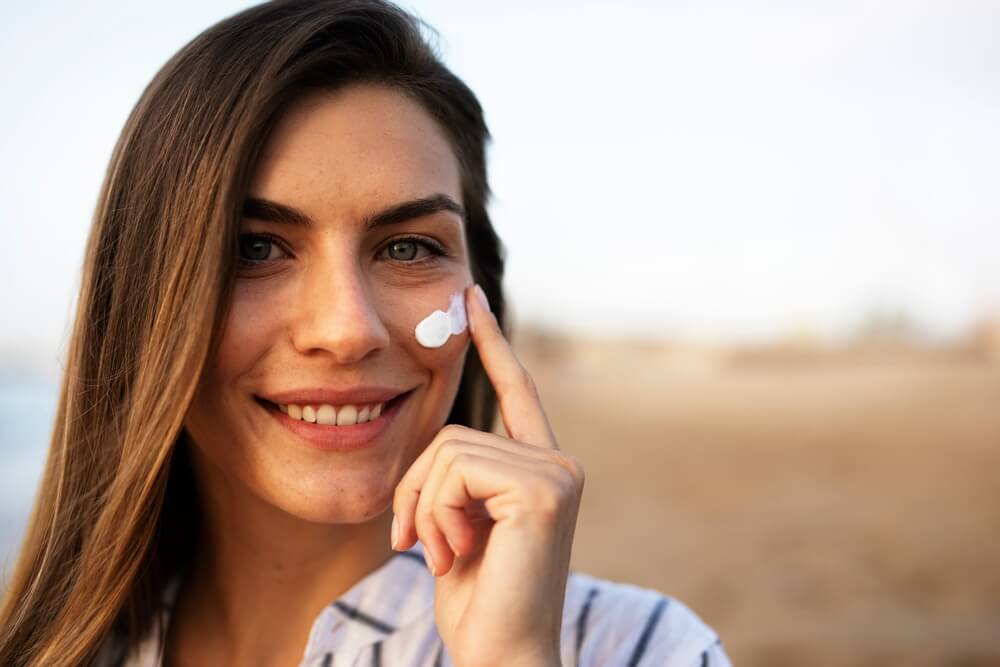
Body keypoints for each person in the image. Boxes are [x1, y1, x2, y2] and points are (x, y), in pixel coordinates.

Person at [0, 1, 732, 665]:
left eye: (408, 247)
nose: (348, 331)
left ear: (484, 295)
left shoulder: (642, 648)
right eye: (254, 247)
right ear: (138, 301)